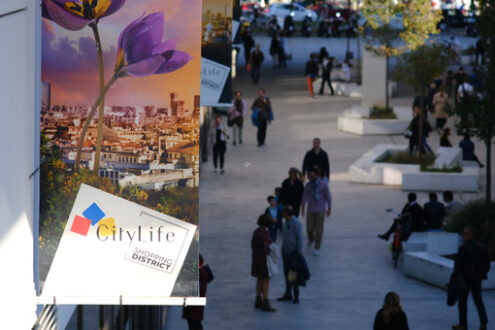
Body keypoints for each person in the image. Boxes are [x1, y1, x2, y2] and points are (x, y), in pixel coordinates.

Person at [450, 227, 490, 330]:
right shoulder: (482, 248)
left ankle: (463, 324)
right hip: (476, 279)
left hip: (465, 278)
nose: (463, 235)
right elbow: (487, 265)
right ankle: (483, 323)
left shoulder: (463, 249)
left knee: (463, 302)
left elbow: (458, 265)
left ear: (470, 235)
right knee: (478, 301)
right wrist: (482, 275)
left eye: (465, 233)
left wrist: (453, 278)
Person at [301, 167, 332, 256]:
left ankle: (317, 246)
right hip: (311, 209)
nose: (311, 177)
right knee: (309, 229)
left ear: (317, 175)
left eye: (313, 175)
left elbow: (328, 196)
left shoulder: (323, 184)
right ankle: (311, 240)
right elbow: (305, 196)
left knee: (319, 230)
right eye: (310, 176)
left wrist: (329, 208)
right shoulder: (308, 185)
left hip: (320, 210)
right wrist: (302, 207)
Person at [277, 206, 303, 304]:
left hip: (293, 253)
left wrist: (298, 253)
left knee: (293, 275)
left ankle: (296, 295)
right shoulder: (286, 222)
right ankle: (288, 293)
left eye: (283, 213)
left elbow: (300, 239)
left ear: (287, 213)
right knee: (286, 273)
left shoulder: (296, 223)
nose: (282, 215)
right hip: (286, 252)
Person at [251, 214, 276, 312]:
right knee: (266, 280)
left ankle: (258, 299)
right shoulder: (265, 233)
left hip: (256, 258)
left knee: (259, 279)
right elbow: (266, 247)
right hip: (263, 260)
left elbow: (252, 244)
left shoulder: (256, 231)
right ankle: (266, 301)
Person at [182, 254, 210, 330]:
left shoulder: (200, 273)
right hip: (194, 307)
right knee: (194, 325)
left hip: (194, 307)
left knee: (194, 325)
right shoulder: (200, 273)